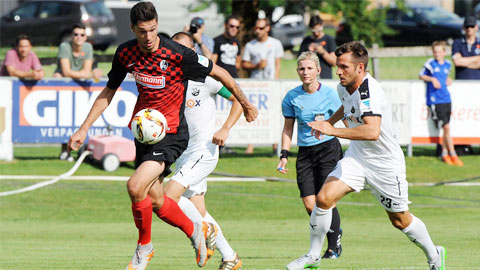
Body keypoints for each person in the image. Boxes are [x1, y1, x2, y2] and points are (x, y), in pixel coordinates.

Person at [67, 2, 258, 270]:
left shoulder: (179, 54)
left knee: (135, 186)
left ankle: (144, 248)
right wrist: (84, 127)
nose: (148, 37)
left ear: (158, 25)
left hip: (171, 134)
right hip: (145, 135)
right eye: (142, 31)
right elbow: (109, 91)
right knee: (156, 200)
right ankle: (197, 232)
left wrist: (246, 104)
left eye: (153, 30)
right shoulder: (126, 53)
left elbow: (222, 73)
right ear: (133, 28)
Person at [287, 41, 445, 270]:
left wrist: (333, 130)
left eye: (344, 67)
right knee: (323, 199)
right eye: (338, 65)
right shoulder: (343, 86)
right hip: (358, 157)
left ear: (360, 68)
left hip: (385, 164)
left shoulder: (369, 91)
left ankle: (435, 255)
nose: (338, 71)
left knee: (400, 220)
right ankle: (313, 256)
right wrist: (329, 121)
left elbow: (372, 131)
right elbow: (346, 105)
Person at [150, 31, 244, 270]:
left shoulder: (205, 77)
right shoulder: (167, 78)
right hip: (181, 155)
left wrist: (225, 128)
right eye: (175, 47)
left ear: (193, 52)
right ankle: (231, 258)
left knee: (167, 196)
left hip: (203, 152)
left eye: (185, 49)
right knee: (198, 209)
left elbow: (237, 101)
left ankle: (201, 231)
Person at [277, 51, 343, 259]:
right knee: (309, 203)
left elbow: (344, 117)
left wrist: (329, 126)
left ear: (318, 70)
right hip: (305, 153)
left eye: (309, 68)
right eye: (301, 69)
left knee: (326, 200)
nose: (305, 72)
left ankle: (333, 246)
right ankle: (333, 231)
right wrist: (284, 155)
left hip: (328, 150)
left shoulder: (330, 94)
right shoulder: (292, 97)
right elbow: (288, 129)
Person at [54, 23, 103, 162]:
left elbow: (88, 72)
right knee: (63, 119)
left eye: (82, 35)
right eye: (76, 34)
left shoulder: (87, 47)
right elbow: (65, 71)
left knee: (79, 119)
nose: (79, 37)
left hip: (80, 89)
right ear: (71, 36)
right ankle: (64, 151)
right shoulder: (65, 46)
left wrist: (85, 74)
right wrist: (83, 74)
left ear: (86, 37)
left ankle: (80, 150)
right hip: (64, 89)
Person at [242, 17, 284, 154]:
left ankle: (275, 144)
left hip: (271, 84)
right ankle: (250, 145)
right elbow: (244, 64)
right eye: (256, 28)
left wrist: (276, 80)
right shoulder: (250, 45)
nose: (258, 31)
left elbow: (278, 63)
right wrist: (256, 65)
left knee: (273, 114)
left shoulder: (276, 43)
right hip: (255, 84)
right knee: (253, 112)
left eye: (261, 28)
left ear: (267, 28)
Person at [419, 41, 463, 166]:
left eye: (439, 51)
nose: (437, 54)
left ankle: (444, 153)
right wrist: (432, 79)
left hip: (446, 99)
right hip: (435, 101)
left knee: (446, 128)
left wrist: (448, 79)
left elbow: (445, 77)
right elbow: (421, 75)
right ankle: (453, 154)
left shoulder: (448, 65)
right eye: (435, 52)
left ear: (444, 52)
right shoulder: (430, 64)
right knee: (446, 127)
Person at [298, 15, 336, 79]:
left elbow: (334, 62)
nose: (316, 33)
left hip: (325, 77)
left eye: (318, 30)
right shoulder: (306, 41)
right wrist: (309, 53)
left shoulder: (329, 39)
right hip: (309, 78)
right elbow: (299, 62)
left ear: (322, 26)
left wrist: (323, 52)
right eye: (313, 31)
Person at [451, 15, 480, 80]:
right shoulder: (457, 43)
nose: (469, 29)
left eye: (472, 26)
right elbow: (457, 62)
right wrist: (477, 58)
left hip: (478, 82)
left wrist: (463, 61)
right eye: (467, 26)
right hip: (461, 82)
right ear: (463, 27)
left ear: (476, 27)